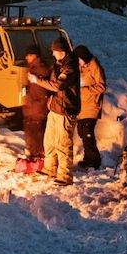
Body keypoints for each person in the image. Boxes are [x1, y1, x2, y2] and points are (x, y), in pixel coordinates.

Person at [32, 36, 81, 185]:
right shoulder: (58, 65)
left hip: (65, 110)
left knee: (63, 143)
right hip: (55, 108)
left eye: (55, 51)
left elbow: (58, 85)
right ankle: (50, 168)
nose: (53, 54)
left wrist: (37, 81)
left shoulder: (70, 67)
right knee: (50, 141)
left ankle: (65, 175)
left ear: (62, 51)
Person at [74, 44, 106, 169]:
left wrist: (84, 90)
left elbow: (101, 86)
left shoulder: (94, 66)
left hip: (92, 105)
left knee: (88, 133)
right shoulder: (81, 67)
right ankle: (88, 158)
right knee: (82, 132)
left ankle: (94, 160)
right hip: (82, 107)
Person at [20, 49, 51, 172]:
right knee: (35, 133)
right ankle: (36, 158)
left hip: (36, 109)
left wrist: (32, 103)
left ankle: (37, 160)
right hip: (34, 108)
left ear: (34, 56)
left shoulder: (38, 70)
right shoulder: (35, 69)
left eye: (28, 55)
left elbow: (39, 92)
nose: (26, 57)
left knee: (35, 134)